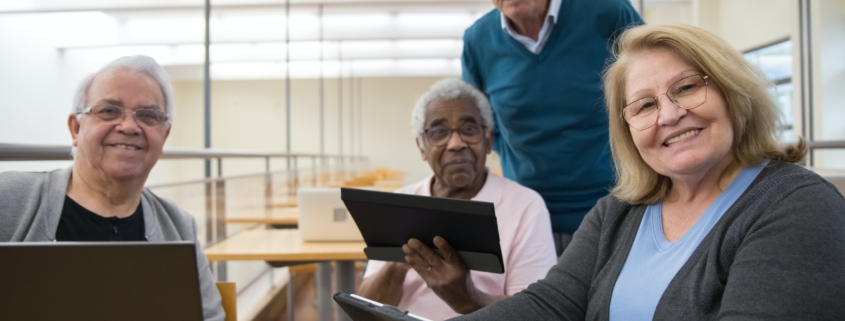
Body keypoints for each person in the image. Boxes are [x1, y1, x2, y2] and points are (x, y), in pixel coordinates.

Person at [452, 24, 845, 320]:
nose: (670, 115)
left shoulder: (798, 207)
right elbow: (550, 304)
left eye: (688, 87)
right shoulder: (618, 212)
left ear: (732, 91)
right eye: (644, 106)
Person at [0, 56, 225, 321]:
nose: (129, 127)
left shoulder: (178, 225)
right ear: (76, 128)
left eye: (148, 115)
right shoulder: (9, 201)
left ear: (163, 137)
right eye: (108, 111)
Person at [357, 79, 557, 320]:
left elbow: (534, 312)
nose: (456, 143)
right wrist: (400, 262)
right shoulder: (401, 203)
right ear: (422, 146)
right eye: (439, 132)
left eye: (469, 129)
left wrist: (469, 298)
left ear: (488, 140)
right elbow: (368, 305)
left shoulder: (526, 206)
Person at [461, 0, 644, 254]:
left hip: (615, 205)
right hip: (527, 215)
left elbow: (651, 88)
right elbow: (480, 122)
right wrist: (515, 155)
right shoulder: (477, 39)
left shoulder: (608, 11)